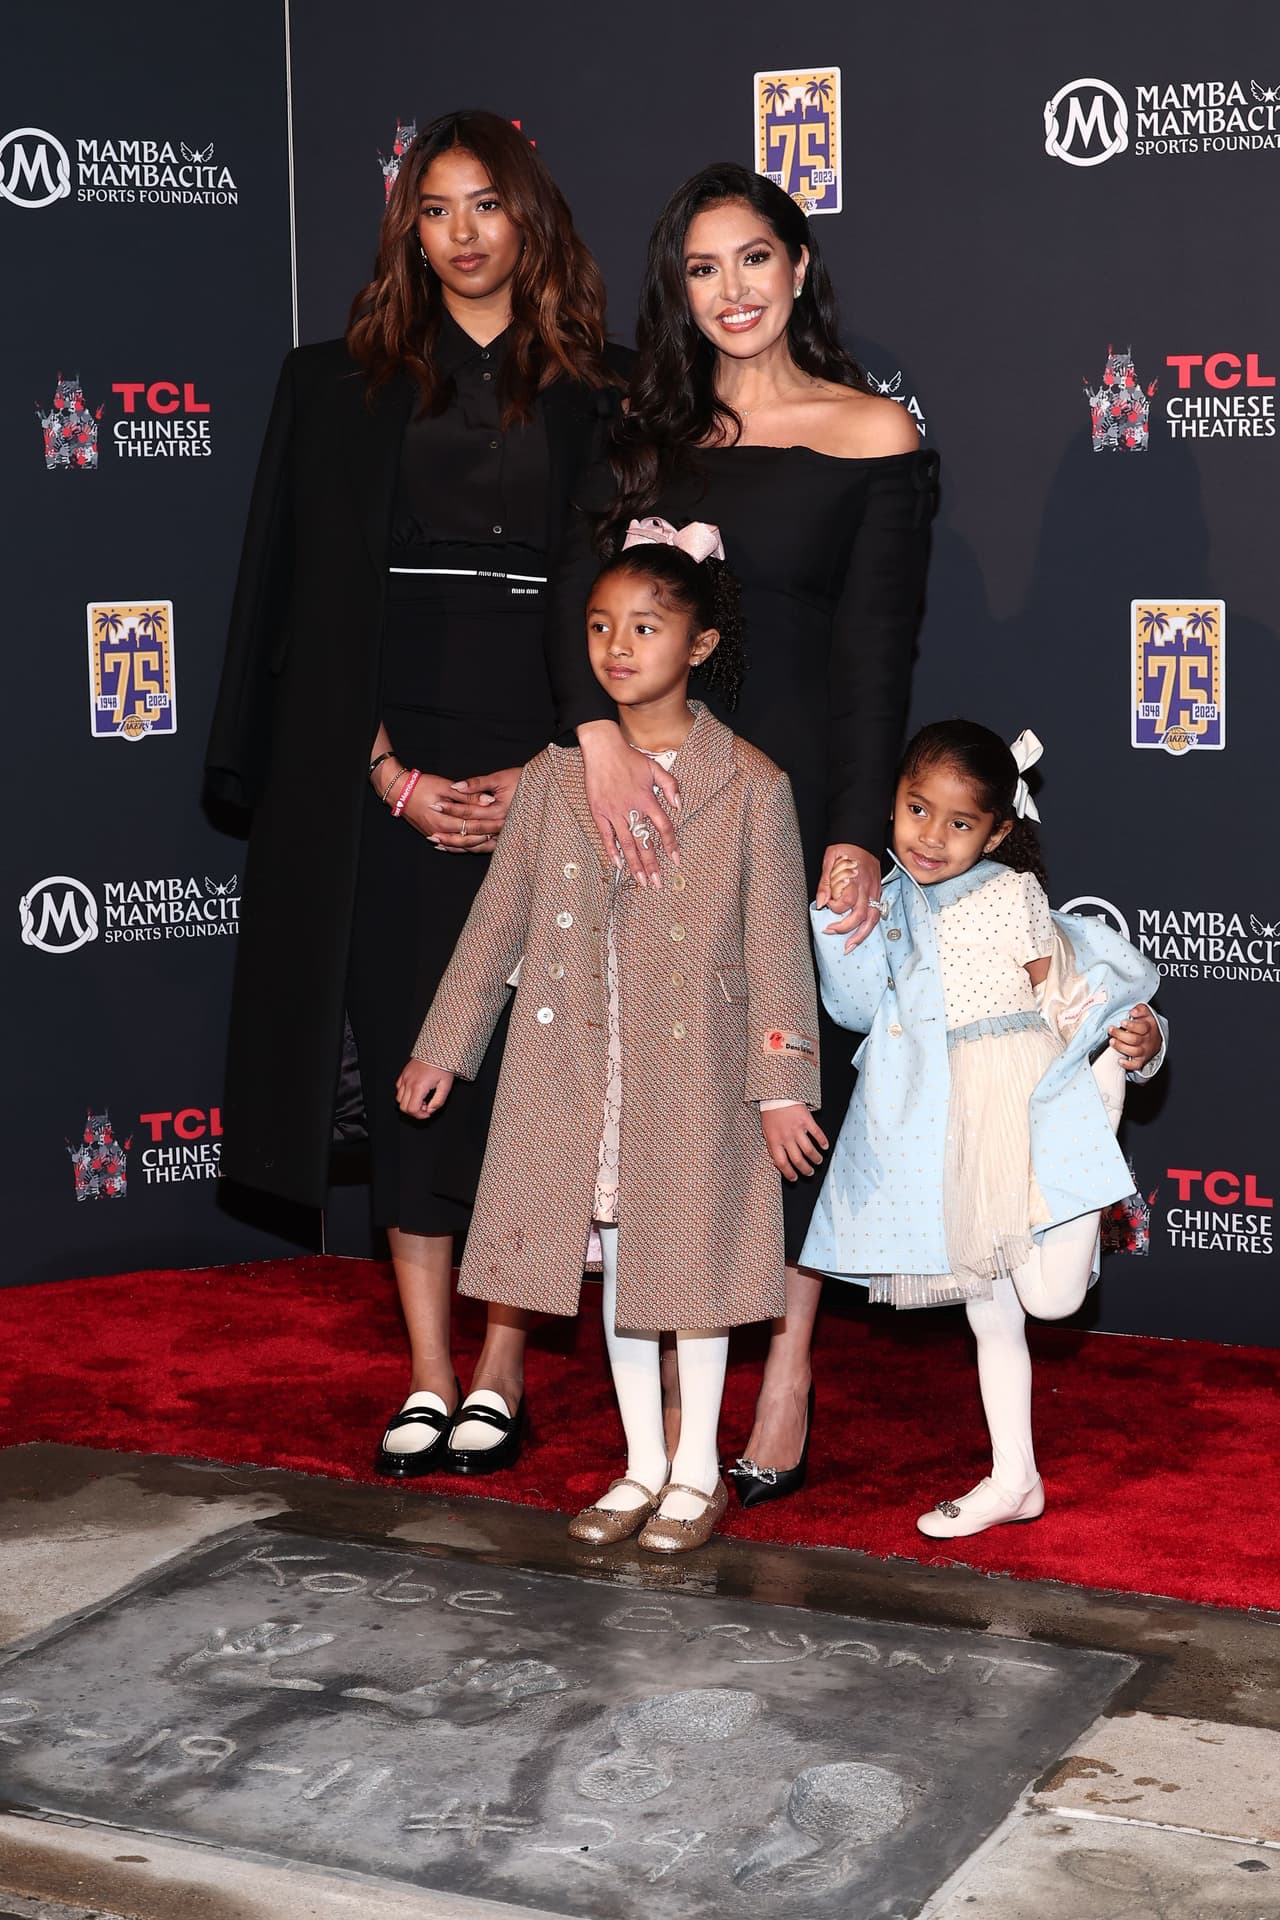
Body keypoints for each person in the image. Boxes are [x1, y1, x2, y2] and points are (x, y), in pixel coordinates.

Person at [204, 111, 629, 1479]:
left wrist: (560, 768)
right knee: (414, 1078)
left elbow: (632, 615)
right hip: (382, 767)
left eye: (485, 204)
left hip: (546, 758)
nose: (461, 231)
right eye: (435, 207)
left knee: (528, 1076)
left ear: (530, 223)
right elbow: (294, 609)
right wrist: (382, 774)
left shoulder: (603, 394)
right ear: (408, 231)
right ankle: (432, 1371)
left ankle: (506, 1363)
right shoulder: (331, 385)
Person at [543, 162, 939, 1503]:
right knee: (662, 1094)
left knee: (779, 1093)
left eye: (755, 259)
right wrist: (594, 743)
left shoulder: (872, 437)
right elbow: (573, 613)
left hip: (787, 797)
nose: (733, 291)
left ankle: (786, 1368)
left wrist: (855, 832)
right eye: (703, 269)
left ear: (800, 267)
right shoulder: (638, 439)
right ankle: (665, 1392)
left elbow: (878, 656)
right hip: (647, 807)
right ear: (679, 290)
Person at [397, 529, 822, 1549]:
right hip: (581, 1066)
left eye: (645, 627)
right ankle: (636, 1467)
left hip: (696, 1071)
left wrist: (781, 1085)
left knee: (694, 1275)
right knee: (626, 1279)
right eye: (599, 627)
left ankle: (692, 1471)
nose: (617, 647)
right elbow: (497, 918)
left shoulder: (752, 783)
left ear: (699, 641)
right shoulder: (552, 776)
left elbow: (777, 953)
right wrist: (441, 1047)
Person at [802, 720, 1167, 1538]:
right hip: (949, 1122)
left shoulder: (1012, 893)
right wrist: (835, 919)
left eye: (959, 822)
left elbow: (1072, 992)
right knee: (991, 1312)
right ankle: (1015, 1479)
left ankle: (1090, 1158)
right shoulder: (883, 898)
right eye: (915, 810)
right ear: (889, 804)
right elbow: (855, 1010)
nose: (931, 837)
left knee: (1051, 1295)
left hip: (1033, 1094)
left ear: (999, 830)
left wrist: (1134, 1046)